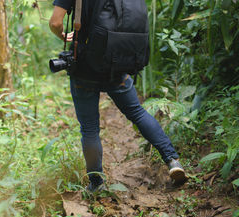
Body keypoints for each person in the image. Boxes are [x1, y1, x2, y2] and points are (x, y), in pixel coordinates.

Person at [49, 0, 187, 193]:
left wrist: (63, 35)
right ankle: (173, 161)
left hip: (85, 68)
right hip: (117, 64)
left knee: (89, 128)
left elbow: (56, 22)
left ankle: (96, 183)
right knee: (137, 113)